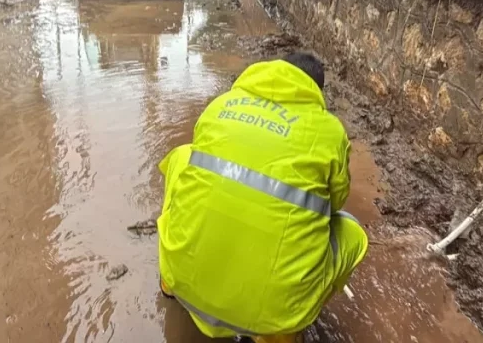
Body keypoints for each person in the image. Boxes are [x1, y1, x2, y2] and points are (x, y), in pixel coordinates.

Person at [157, 52, 368, 342]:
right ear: (315, 90)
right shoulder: (331, 131)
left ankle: (168, 282)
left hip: (186, 285)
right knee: (352, 232)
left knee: (183, 157)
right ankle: (278, 333)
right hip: (271, 313)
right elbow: (334, 204)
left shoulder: (220, 105)